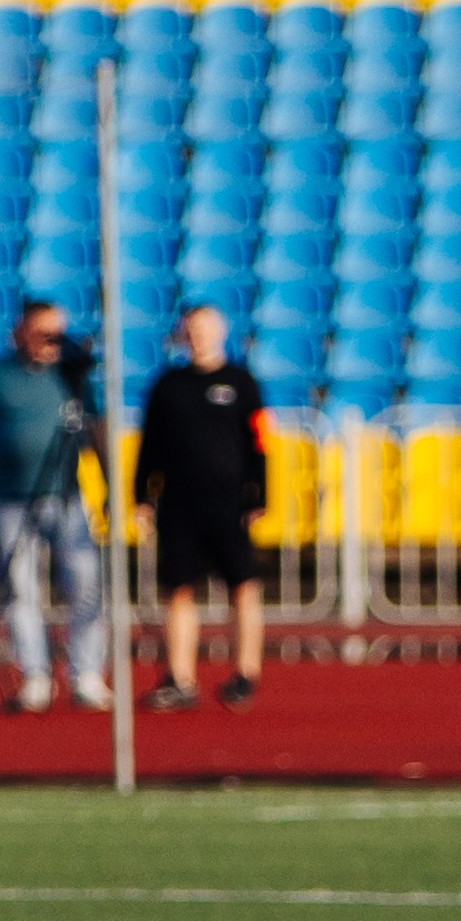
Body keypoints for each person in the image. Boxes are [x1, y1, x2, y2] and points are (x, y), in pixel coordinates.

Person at [0, 299, 113, 712]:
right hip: (10, 498)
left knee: (85, 582)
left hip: (66, 495)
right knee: (19, 589)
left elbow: (95, 429)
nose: (50, 343)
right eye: (42, 333)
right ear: (22, 331)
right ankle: (36, 674)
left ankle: (86, 671)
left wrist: (113, 484)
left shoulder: (71, 375)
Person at [132, 303, 269, 712]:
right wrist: (141, 496)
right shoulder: (168, 385)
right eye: (191, 329)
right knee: (179, 589)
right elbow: (149, 445)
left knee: (242, 586)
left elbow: (260, 443)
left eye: (205, 328)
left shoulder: (242, 383)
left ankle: (246, 672)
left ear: (221, 331)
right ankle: (180, 678)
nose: (198, 336)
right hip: (179, 503)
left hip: (230, 504)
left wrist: (260, 495)